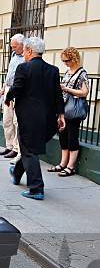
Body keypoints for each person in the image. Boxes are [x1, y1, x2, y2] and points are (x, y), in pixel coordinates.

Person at [5, 37, 65, 200]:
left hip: (28, 118)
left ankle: (36, 188)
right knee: (28, 149)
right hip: (48, 119)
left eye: (24, 50)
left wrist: (7, 97)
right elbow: (58, 94)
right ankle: (17, 171)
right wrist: (61, 115)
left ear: (30, 51)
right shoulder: (53, 70)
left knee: (29, 151)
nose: (23, 53)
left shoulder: (23, 68)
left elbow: (17, 88)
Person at [47, 47, 89, 178]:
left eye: (67, 60)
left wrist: (67, 89)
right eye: (63, 60)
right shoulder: (67, 71)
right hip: (63, 108)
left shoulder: (82, 73)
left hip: (73, 110)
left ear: (74, 58)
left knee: (72, 138)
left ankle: (71, 166)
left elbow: (84, 92)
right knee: (63, 137)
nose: (65, 63)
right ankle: (63, 163)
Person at [0, 34, 25, 161]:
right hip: (9, 88)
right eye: (12, 47)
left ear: (22, 45)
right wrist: (4, 87)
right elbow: (9, 73)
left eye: (15, 47)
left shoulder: (26, 57)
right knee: (6, 120)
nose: (13, 49)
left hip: (18, 90)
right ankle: (9, 146)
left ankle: (16, 148)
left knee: (16, 121)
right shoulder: (14, 55)